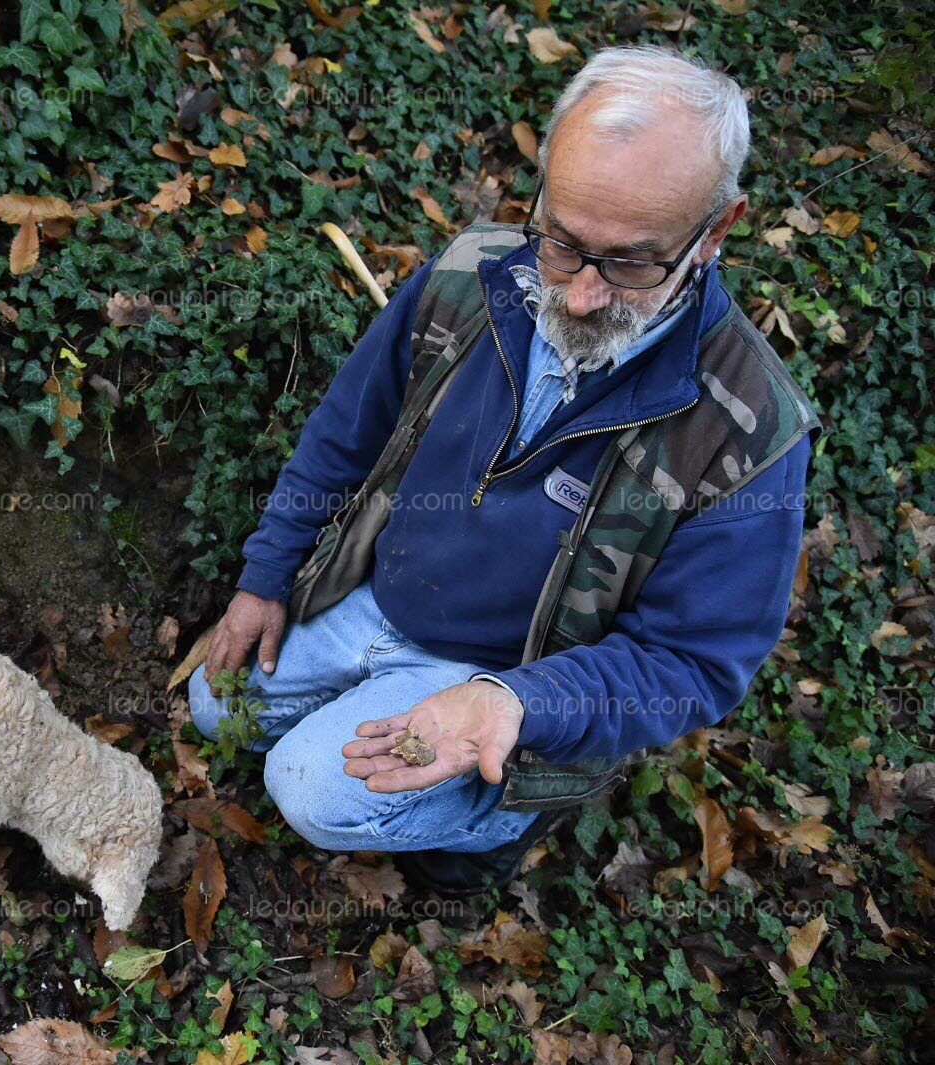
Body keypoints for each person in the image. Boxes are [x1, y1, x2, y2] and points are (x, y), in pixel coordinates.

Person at [187, 45, 817, 894]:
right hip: (368, 600)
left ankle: (504, 818)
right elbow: (346, 431)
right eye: (562, 241)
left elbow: (693, 662)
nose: (583, 293)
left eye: (630, 262)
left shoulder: (749, 428)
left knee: (305, 790)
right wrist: (266, 575)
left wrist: (514, 705)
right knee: (212, 705)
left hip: (504, 677)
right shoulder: (470, 273)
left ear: (715, 232)